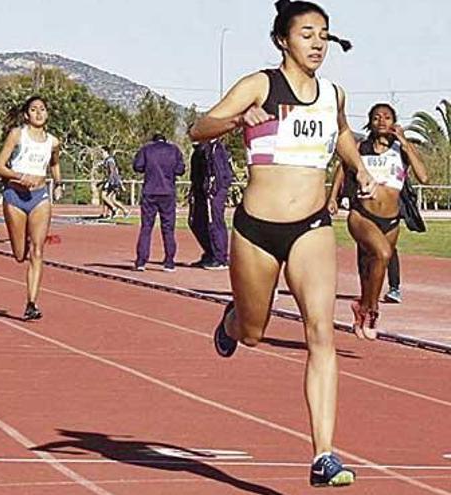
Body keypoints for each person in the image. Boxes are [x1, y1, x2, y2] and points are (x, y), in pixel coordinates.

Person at [189, 0, 376, 487]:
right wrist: (237, 120)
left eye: (324, 35)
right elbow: (198, 128)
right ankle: (231, 323)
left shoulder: (333, 93)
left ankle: (324, 455)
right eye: (308, 34)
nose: (317, 43)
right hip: (256, 228)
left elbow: (341, 136)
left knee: (322, 333)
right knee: (253, 331)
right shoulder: (260, 84)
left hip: (311, 227)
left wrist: (359, 167)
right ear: (282, 40)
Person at [328, 103, 428, 338]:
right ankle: (371, 309)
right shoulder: (360, 147)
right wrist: (332, 197)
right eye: (376, 117)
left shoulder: (401, 150)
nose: (381, 121)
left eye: (387, 117)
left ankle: (363, 305)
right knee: (383, 254)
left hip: (391, 220)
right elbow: (342, 169)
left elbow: (423, 176)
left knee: (373, 266)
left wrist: (405, 143)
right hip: (362, 215)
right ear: (370, 122)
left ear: (394, 121)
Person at [0, 96, 63, 320]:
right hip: (15, 197)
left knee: (38, 252)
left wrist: (58, 183)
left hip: (39, 197)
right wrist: (20, 176)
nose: (39, 113)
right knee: (20, 254)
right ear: (26, 115)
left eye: (42, 109)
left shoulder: (53, 141)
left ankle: (31, 303)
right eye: (34, 110)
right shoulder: (17, 135)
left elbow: (54, 163)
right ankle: (23, 240)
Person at [133, 133, 185, 272]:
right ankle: (169, 261)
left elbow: (138, 166)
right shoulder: (174, 150)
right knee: (168, 228)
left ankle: (141, 261)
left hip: (150, 191)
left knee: (146, 227)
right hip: (167, 192)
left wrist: (150, 168)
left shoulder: (146, 149)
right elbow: (180, 170)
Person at [188, 139, 232, 270]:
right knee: (196, 222)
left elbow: (219, 172)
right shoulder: (199, 151)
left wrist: (213, 189)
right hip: (200, 190)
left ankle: (220, 258)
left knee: (215, 222)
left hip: (214, 191)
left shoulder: (215, 149)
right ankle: (210, 252)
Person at [97, 147, 128, 218]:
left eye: (102, 152)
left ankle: (114, 209)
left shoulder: (110, 160)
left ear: (106, 152)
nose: (102, 154)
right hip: (112, 181)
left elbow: (112, 172)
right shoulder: (107, 160)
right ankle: (125, 210)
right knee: (112, 199)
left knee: (104, 196)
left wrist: (108, 182)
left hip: (112, 182)